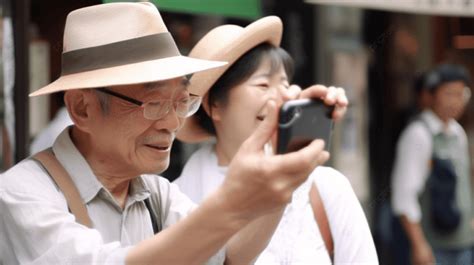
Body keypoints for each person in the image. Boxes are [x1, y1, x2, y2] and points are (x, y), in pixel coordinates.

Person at [0, 3, 334, 264]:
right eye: (155, 103)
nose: (172, 122)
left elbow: (228, 257)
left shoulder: (155, 192)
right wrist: (230, 201)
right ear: (82, 108)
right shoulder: (21, 194)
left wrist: (283, 178)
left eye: (180, 102)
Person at [174, 16, 378, 264]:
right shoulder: (178, 202)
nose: (281, 96)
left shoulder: (327, 187)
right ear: (214, 105)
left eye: (284, 83)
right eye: (262, 84)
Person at [391, 63, 473, 265]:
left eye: (461, 94)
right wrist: (419, 245)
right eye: (449, 93)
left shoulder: (457, 133)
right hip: (434, 246)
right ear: (431, 96)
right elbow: (404, 196)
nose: (455, 101)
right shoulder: (418, 135)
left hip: (462, 242)